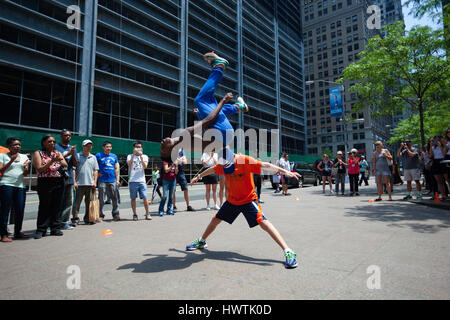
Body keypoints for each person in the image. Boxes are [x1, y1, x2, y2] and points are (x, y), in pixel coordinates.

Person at [186, 153, 302, 269]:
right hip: (232, 200)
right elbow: (212, 169)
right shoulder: (222, 163)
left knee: (263, 222)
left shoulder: (245, 160)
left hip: (248, 200)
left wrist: (284, 171)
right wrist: (198, 176)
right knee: (215, 220)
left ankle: (288, 251)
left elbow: (265, 165)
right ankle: (202, 241)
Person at [160, 52, 248, 172]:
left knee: (206, 110)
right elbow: (209, 121)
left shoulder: (184, 143)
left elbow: (207, 133)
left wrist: (200, 115)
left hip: (222, 134)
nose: (162, 143)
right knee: (200, 100)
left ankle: (239, 106)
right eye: (163, 149)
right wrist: (223, 100)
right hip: (223, 132)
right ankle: (219, 67)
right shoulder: (183, 139)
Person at [32, 135, 68, 239]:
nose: (52, 143)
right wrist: (52, 161)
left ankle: (55, 228)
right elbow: (39, 169)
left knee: (56, 206)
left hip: (58, 181)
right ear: (43, 143)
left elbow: (65, 164)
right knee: (44, 206)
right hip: (45, 181)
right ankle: (41, 229)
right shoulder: (38, 153)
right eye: (49, 141)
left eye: (53, 141)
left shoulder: (57, 153)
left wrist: (59, 159)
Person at [0, 138, 31, 242]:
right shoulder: (2, 156)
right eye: (15, 145)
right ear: (9, 146)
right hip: (6, 184)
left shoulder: (24, 156)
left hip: (20, 186)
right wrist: (11, 160)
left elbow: (25, 174)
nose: (18, 146)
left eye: (19, 145)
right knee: (5, 210)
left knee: (20, 209)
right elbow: (1, 171)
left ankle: (17, 232)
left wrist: (26, 168)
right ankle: (3, 235)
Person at [55, 129, 78, 230]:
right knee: (56, 201)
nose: (67, 137)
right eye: (65, 135)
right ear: (61, 136)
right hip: (57, 177)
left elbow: (75, 163)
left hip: (69, 178)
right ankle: (53, 223)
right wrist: (67, 154)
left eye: (69, 136)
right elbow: (55, 160)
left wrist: (72, 154)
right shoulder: (56, 147)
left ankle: (64, 222)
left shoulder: (72, 148)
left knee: (68, 202)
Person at [72, 140, 99, 225]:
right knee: (77, 203)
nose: (88, 147)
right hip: (79, 184)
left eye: (90, 145)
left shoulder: (93, 157)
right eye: (87, 145)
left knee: (89, 203)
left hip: (90, 184)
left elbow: (95, 170)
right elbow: (73, 169)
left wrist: (95, 182)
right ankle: (75, 219)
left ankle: (88, 219)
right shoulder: (78, 156)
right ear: (83, 146)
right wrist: (74, 182)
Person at [96, 141, 120, 221]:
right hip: (102, 180)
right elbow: (94, 166)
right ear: (103, 147)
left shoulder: (114, 156)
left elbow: (116, 168)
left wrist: (117, 180)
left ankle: (115, 213)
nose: (109, 148)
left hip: (112, 180)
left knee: (114, 198)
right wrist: (97, 173)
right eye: (107, 147)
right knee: (101, 198)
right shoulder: (98, 155)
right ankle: (100, 214)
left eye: (110, 147)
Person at [127, 141, 151, 221]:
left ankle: (147, 214)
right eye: (136, 147)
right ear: (134, 148)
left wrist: (140, 157)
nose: (138, 148)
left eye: (140, 147)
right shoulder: (129, 156)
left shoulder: (145, 156)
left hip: (142, 180)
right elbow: (129, 165)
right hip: (132, 180)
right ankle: (134, 214)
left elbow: (145, 166)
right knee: (133, 198)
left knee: (145, 197)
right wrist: (134, 155)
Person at [428, 136, 448, 201]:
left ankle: (446, 194)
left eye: (437, 140)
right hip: (436, 162)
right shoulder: (433, 147)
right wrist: (431, 146)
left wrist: (440, 146)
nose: (435, 142)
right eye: (434, 141)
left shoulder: (443, 146)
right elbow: (431, 155)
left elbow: (444, 154)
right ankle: (443, 195)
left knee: (446, 179)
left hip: (442, 161)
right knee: (439, 181)